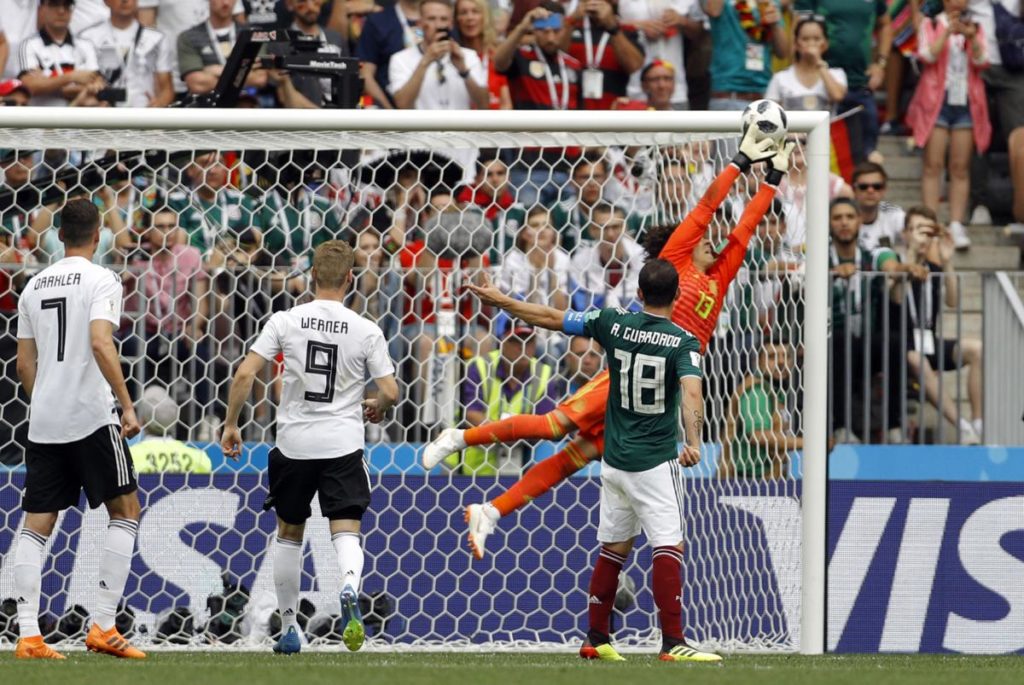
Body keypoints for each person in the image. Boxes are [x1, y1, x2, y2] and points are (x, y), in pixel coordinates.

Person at [422, 127, 785, 559]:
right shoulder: (675, 261)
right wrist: (738, 163)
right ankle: (461, 437)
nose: (713, 239)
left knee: (575, 458)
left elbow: (745, 228)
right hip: (632, 372)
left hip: (657, 395)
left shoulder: (719, 278)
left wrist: (772, 180)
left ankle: (492, 511)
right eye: (704, 236)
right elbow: (706, 206)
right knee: (554, 426)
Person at [486, 258, 721, 663]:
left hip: (613, 461)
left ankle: (596, 637)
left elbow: (550, 317)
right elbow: (692, 392)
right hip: (654, 461)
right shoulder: (684, 342)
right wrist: (694, 442)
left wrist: (503, 301)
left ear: (640, 294)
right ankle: (673, 641)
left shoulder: (613, 322)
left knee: (614, 548)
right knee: (669, 544)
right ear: (678, 295)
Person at [219, 240, 399, 655]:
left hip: (294, 444)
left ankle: (288, 629)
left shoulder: (285, 320)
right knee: (346, 529)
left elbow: (245, 374)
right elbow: (390, 390)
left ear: (313, 275)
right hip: (342, 444)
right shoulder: (366, 329)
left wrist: (231, 424)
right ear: (350, 278)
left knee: (288, 533)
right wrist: (378, 406)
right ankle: (349, 586)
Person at [13, 199, 144, 659]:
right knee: (125, 509)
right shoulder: (102, 279)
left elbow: (23, 363)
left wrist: (47, 400)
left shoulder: (33, 285)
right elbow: (100, 342)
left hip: (45, 420)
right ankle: (104, 625)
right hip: (91, 415)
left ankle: (29, 636)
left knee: (38, 522)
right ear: (99, 235)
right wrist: (127, 405)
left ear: (60, 234)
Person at [828, 197, 922, 444]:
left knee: (893, 343)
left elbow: (889, 264)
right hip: (830, 345)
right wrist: (833, 273)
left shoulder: (871, 252)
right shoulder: (819, 257)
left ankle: (894, 426)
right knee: (840, 341)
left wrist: (905, 268)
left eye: (850, 217)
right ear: (828, 223)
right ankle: (841, 427)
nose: (844, 223)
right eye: (837, 218)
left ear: (860, 221)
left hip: (865, 342)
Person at [893, 206, 983, 443]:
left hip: (928, 343)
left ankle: (978, 423)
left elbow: (953, 301)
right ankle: (962, 426)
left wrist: (947, 261)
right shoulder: (895, 264)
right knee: (916, 359)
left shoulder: (933, 269)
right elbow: (897, 298)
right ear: (905, 234)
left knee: (977, 349)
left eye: (927, 231)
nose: (922, 237)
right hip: (898, 346)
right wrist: (911, 255)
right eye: (916, 230)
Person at [907, 0, 990, 251]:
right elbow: (926, 56)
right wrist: (946, 32)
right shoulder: (931, 23)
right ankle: (930, 223)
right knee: (933, 165)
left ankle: (956, 223)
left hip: (966, 101)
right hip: (936, 101)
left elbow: (982, 61)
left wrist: (971, 38)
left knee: (960, 167)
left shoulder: (975, 26)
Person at [795, 0, 892, 165]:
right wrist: (799, 73)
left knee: (867, 159)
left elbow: (885, 24)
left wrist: (880, 64)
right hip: (821, 86)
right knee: (817, 159)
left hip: (861, 84)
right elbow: (798, 31)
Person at [457, 323, 561, 474]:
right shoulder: (481, 366)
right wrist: (508, 432)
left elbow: (544, 424)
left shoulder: (544, 374)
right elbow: (471, 414)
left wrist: (505, 432)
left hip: (523, 470)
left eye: (529, 341)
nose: (522, 347)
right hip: (469, 468)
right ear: (503, 342)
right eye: (515, 341)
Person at [720, 336, 801, 479]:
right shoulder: (757, 392)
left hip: (767, 478)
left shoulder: (776, 392)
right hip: (749, 481)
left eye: (786, 356)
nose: (781, 362)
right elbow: (759, 435)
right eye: (772, 357)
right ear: (757, 361)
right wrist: (811, 443)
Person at [388, 0, 489, 110]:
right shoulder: (400, 59)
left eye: (444, 19)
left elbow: (483, 105)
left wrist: (463, 70)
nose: (438, 25)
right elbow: (402, 105)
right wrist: (425, 62)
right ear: (420, 24)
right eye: (431, 19)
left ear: (451, 24)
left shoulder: (468, 56)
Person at [79, 0, 175, 108]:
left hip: (143, 113)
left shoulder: (156, 39)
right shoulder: (88, 38)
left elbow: (167, 89)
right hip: (103, 113)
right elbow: (82, 83)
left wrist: (159, 103)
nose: (125, 1)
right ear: (106, 2)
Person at [702, 0, 790, 111]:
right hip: (728, 94)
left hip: (762, 94)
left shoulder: (769, 2)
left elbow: (783, 52)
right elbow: (713, 11)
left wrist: (775, 25)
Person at [494, 2, 581, 111]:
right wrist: (522, 28)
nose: (550, 38)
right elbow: (498, 63)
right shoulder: (521, 57)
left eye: (556, 31)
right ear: (534, 30)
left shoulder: (574, 65)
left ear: (564, 29)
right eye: (544, 31)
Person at [17, 0, 104, 107]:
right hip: (42, 115)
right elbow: (30, 87)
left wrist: (48, 82)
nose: (61, 11)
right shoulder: (29, 45)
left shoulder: (86, 45)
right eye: (54, 4)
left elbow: (97, 84)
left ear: (72, 10)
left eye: (67, 5)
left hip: (81, 115)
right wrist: (71, 77)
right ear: (41, 9)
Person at [618, 0, 704, 109]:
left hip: (675, 91)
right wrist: (638, 26)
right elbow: (607, 23)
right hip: (635, 89)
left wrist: (682, 21)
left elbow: (699, 34)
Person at [564, 0, 645, 110]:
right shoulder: (571, 26)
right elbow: (552, 49)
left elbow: (634, 65)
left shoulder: (626, 30)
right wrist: (571, 20)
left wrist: (612, 27)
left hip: (612, 110)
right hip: (573, 110)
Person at [268, 0, 348, 108]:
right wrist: (323, 115)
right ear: (289, 4)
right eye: (302, 1)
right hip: (300, 116)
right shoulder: (280, 44)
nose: (310, 7)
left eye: (315, 0)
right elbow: (283, 97)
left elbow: (347, 83)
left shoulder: (336, 38)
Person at [177, 0, 268, 96]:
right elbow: (197, 84)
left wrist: (217, 71)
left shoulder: (253, 34)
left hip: (247, 102)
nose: (225, 3)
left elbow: (260, 78)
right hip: (207, 103)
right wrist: (242, 73)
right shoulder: (189, 37)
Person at [764, 14, 847, 112]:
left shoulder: (836, 74)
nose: (811, 43)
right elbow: (768, 111)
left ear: (825, 44)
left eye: (816, 39)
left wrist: (818, 62)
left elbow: (837, 96)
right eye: (805, 39)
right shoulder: (780, 78)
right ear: (796, 44)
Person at [356, 0, 421, 108]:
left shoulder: (442, 19)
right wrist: (389, 112)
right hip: (388, 105)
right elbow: (365, 75)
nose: (437, 22)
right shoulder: (378, 21)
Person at [454, 0, 512, 109]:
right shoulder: (453, 57)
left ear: (485, 17)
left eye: (475, 11)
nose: (470, 17)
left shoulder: (497, 56)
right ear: (456, 20)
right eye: (463, 13)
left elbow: (506, 103)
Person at [851, 162, 907, 251]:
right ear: (854, 190)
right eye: (863, 187)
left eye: (877, 186)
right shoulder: (843, 214)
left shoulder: (893, 213)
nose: (870, 191)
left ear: (884, 190)